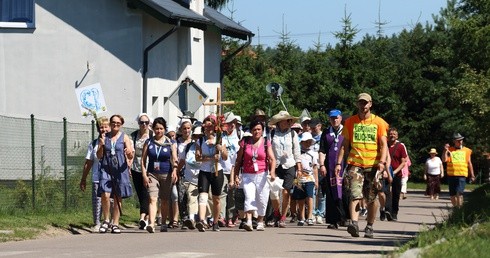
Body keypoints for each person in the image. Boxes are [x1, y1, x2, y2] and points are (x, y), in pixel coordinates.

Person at [335, 93, 389, 238]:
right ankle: (354, 223)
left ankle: (370, 226)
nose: (363, 106)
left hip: (373, 165)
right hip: (355, 164)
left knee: (371, 199)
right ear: (357, 104)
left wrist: (382, 164)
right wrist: (339, 163)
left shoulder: (379, 122)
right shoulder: (350, 122)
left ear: (370, 104)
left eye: (365, 103)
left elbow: (384, 145)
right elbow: (344, 145)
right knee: (355, 194)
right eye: (360, 103)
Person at [231, 119, 276, 231]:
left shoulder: (266, 142)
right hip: (247, 175)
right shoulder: (245, 142)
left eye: (259, 129)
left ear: (262, 130)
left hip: (262, 174)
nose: (257, 132)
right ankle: (249, 221)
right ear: (251, 130)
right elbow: (238, 160)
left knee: (262, 198)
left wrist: (272, 172)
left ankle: (260, 221)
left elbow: (272, 159)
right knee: (249, 196)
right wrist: (236, 175)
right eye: (254, 129)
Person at [96, 114, 134, 234]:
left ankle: (115, 222)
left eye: (118, 123)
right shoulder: (104, 137)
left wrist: (128, 153)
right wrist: (101, 145)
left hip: (120, 170)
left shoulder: (124, 137)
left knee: (118, 196)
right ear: (110, 124)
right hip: (106, 168)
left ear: (121, 124)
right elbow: (99, 155)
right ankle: (106, 219)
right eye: (113, 122)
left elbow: (131, 155)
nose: (115, 124)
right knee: (105, 194)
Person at [141, 117, 178, 233]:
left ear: (164, 129)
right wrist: (144, 175)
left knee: (165, 200)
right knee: (152, 198)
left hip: (166, 174)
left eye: (161, 129)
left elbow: (174, 159)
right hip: (152, 174)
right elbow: (143, 160)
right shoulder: (149, 142)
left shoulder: (170, 143)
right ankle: (151, 223)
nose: (159, 131)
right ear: (153, 129)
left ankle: (163, 223)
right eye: (157, 129)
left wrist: (174, 171)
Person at [195, 115, 228, 232]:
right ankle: (202, 220)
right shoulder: (200, 140)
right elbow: (198, 157)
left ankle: (215, 221)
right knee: (203, 196)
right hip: (204, 171)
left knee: (216, 198)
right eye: (206, 127)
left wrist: (220, 149)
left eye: (210, 127)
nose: (208, 129)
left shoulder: (220, 139)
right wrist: (209, 158)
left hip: (217, 171)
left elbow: (225, 157)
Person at [268, 110, 301, 228]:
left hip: (289, 165)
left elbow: (297, 152)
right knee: (274, 191)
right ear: (279, 122)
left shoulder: (293, 134)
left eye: (288, 120)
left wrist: (299, 168)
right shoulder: (272, 134)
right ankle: (276, 213)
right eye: (285, 120)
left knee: (286, 191)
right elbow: (269, 149)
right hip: (275, 165)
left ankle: (282, 217)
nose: (287, 122)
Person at [80, 116, 110, 232]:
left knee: (109, 201)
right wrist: (83, 178)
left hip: (110, 177)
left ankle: (110, 222)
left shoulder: (114, 141)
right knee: (97, 201)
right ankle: (97, 223)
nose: (104, 129)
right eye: (101, 127)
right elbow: (88, 162)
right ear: (98, 129)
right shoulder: (94, 144)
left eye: (106, 127)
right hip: (97, 176)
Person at [319, 109, 347, 229]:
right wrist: (322, 165)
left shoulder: (346, 131)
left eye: (336, 117)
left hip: (344, 166)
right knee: (331, 193)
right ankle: (333, 220)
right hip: (329, 167)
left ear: (340, 118)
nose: (334, 120)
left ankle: (346, 218)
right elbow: (322, 150)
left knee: (345, 191)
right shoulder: (326, 132)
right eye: (332, 118)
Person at [177, 125, 203, 230]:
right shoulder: (189, 147)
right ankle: (191, 219)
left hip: (203, 177)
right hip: (189, 177)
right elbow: (182, 160)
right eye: (196, 136)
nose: (198, 138)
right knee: (191, 198)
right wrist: (177, 171)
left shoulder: (206, 146)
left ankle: (206, 218)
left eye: (200, 136)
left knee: (204, 200)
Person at [130, 113, 153, 230]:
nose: (144, 125)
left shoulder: (152, 135)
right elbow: (130, 152)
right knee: (140, 193)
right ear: (138, 124)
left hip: (150, 167)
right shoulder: (134, 136)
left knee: (146, 192)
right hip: (136, 167)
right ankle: (147, 217)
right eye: (141, 122)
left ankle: (143, 217)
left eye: (146, 122)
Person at [219, 111, 241, 227]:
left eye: (233, 123)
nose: (231, 125)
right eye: (228, 123)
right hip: (222, 168)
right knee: (222, 193)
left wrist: (237, 173)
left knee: (232, 194)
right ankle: (221, 217)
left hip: (234, 168)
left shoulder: (239, 136)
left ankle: (231, 217)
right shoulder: (221, 136)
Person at [442, 133, 475, 208]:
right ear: (454, 141)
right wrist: (444, 151)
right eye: (458, 140)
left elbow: (469, 163)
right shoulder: (449, 150)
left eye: (461, 140)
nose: (460, 141)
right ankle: (456, 208)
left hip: (461, 175)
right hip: (451, 175)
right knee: (452, 195)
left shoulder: (467, 150)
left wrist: (472, 175)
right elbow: (444, 160)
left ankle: (459, 209)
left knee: (459, 193)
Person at [292, 132, 318, 226]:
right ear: (301, 142)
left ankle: (310, 216)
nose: (307, 143)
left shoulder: (313, 154)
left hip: (310, 178)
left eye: (309, 141)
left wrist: (316, 181)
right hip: (299, 178)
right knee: (300, 199)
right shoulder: (297, 153)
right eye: (305, 141)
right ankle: (302, 217)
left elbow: (315, 168)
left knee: (310, 197)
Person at [384, 127, 408, 222]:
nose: (392, 136)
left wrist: (394, 172)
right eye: (390, 134)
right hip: (385, 173)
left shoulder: (401, 146)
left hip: (396, 174)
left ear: (397, 136)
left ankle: (394, 213)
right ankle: (387, 210)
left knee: (396, 194)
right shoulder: (384, 145)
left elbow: (403, 162)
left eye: (394, 134)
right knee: (385, 192)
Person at [175, 118, 193, 229]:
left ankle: (192, 217)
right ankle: (184, 219)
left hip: (192, 172)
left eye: (188, 128)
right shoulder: (177, 142)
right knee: (181, 196)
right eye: (184, 128)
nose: (186, 130)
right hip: (180, 171)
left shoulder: (195, 142)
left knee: (191, 196)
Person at [309, 118, 324, 224]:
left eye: (315, 126)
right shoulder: (308, 137)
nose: (313, 129)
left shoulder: (324, 136)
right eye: (312, 127)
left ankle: (321, 213)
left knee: (322, 192)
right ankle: (313, 212)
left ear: (320, 126)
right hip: (311, 168)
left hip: (321, 166)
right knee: (313, 191)